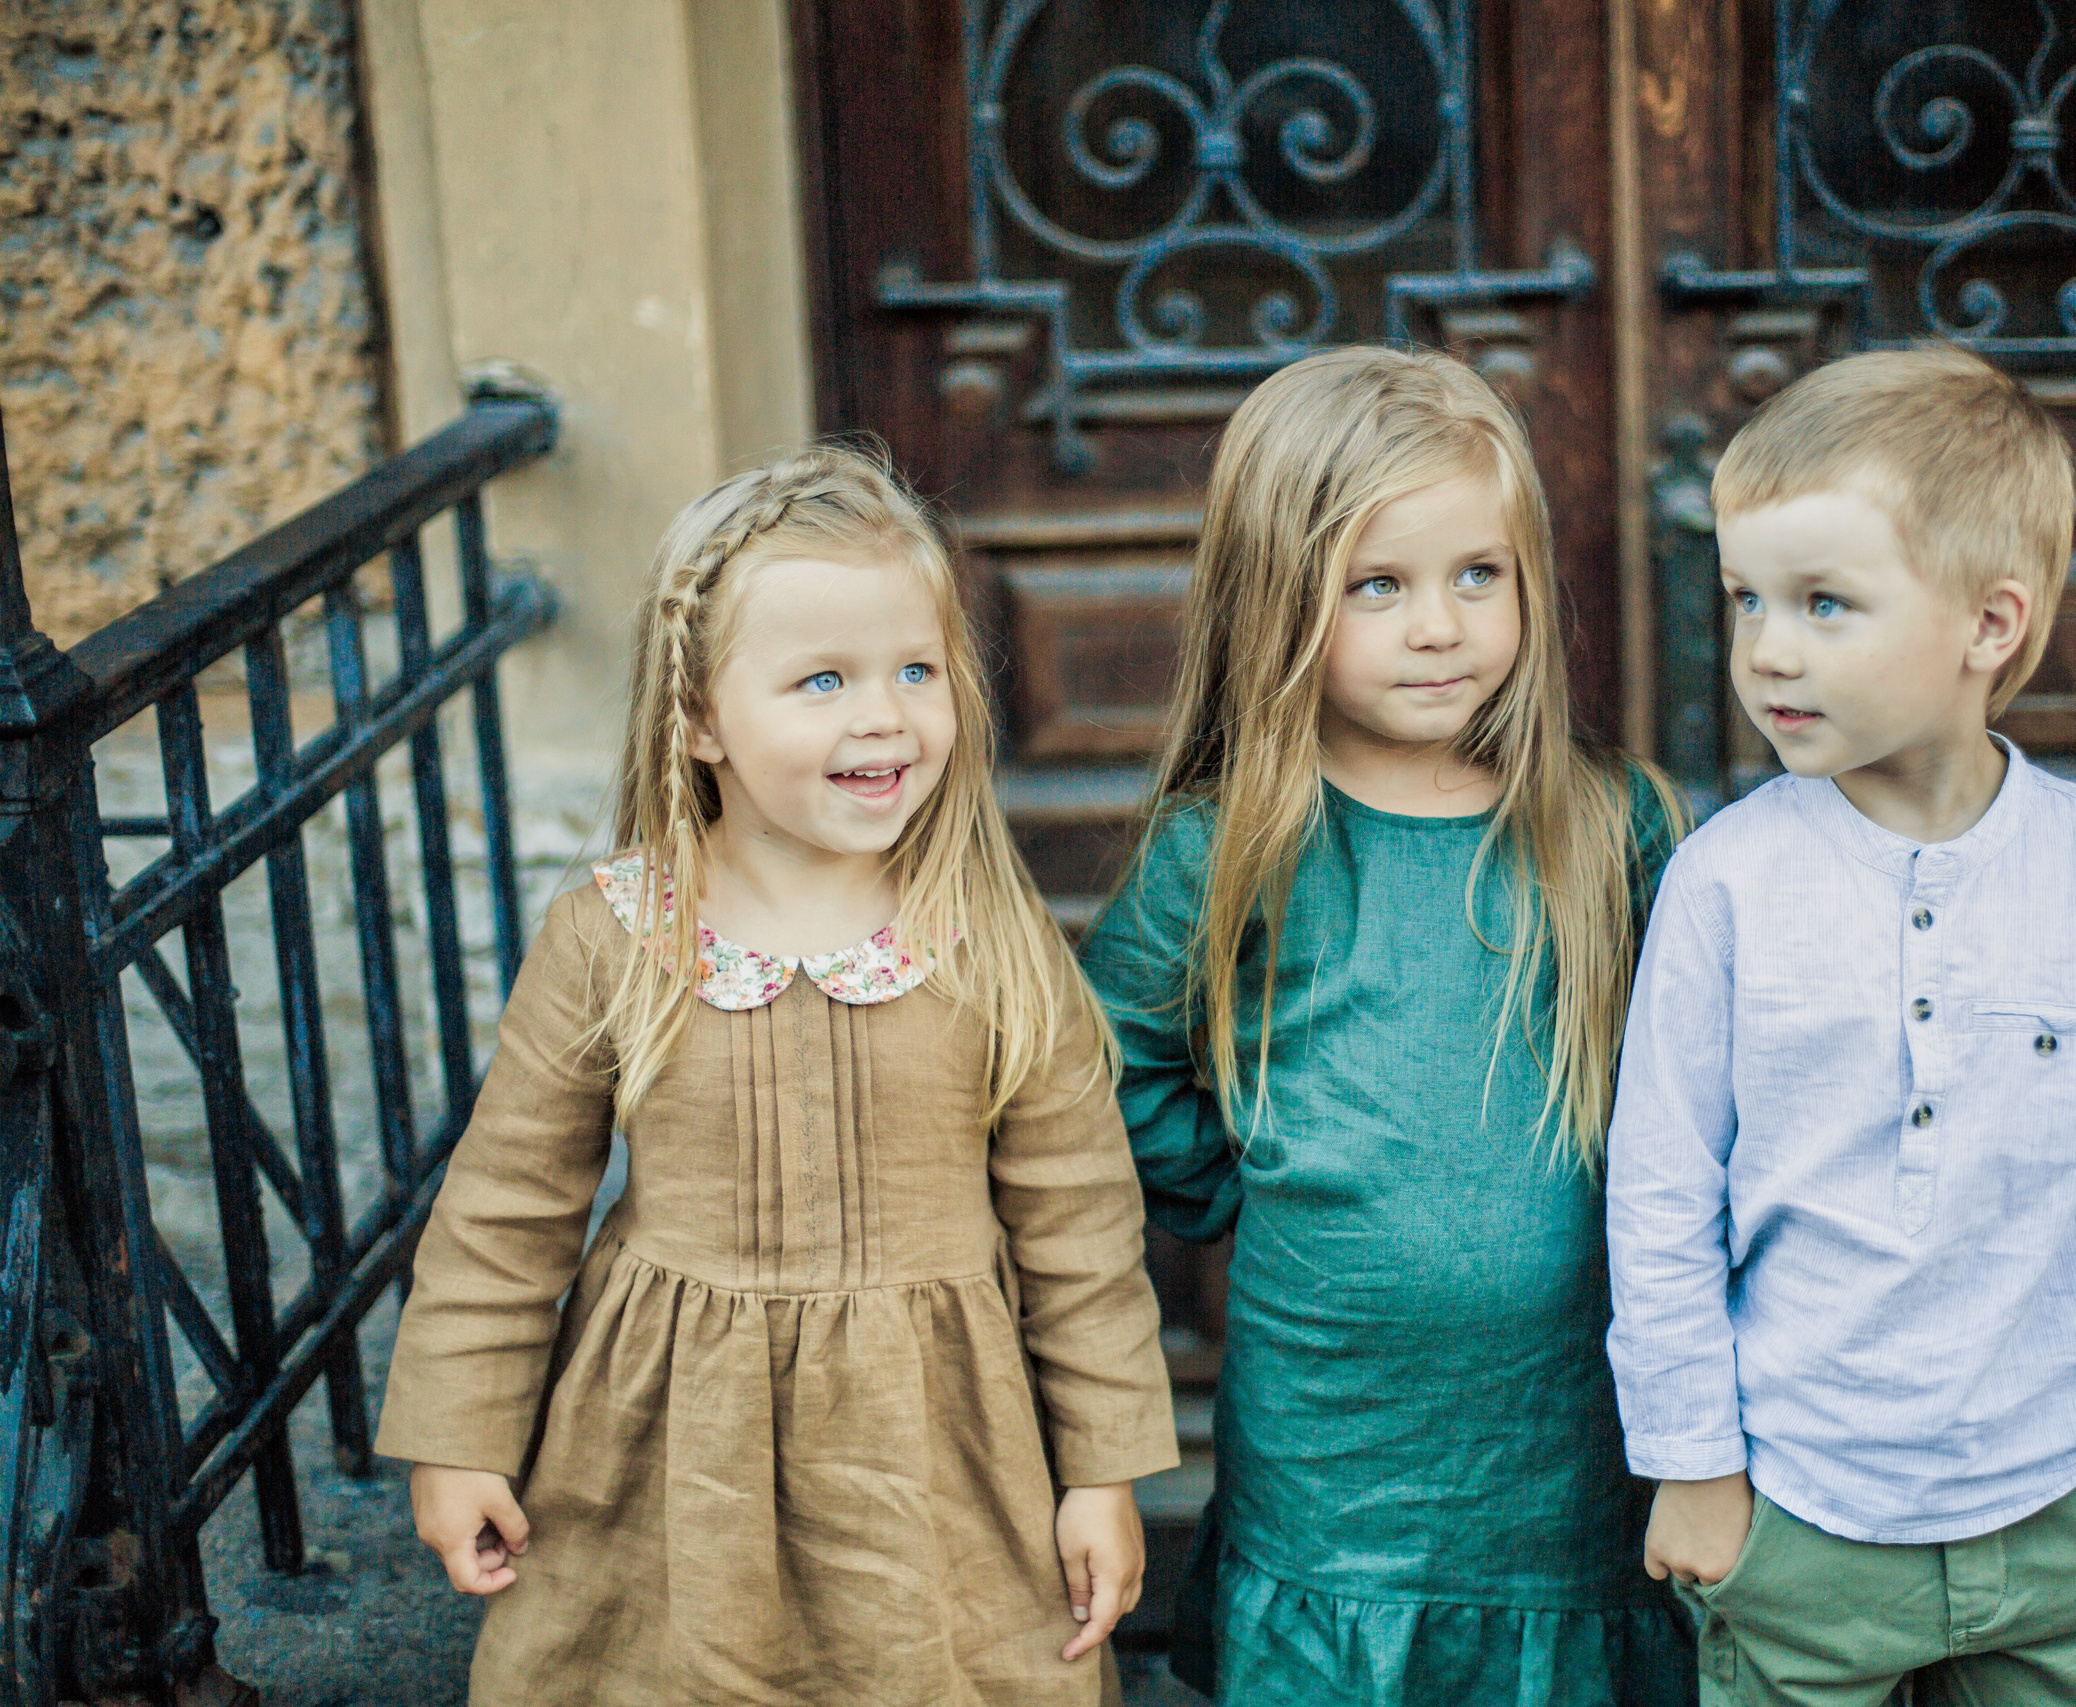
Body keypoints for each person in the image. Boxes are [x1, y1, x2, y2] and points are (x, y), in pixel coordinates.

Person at [375, 443, 1180, 1705]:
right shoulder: (614, 935)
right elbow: (507, 1213)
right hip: (666, 1466)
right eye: (822, 679)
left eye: (916, 670)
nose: (883, 714)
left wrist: (1102, 1474)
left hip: (940, 1475)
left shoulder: (990, 939)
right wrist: (458, 1440)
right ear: (697, 720)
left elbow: (1080, 1228)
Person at [1605, 346, 2076, 1707]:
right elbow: (1659, 1194)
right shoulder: (1724, 881)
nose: (1768, 646)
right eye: (1749, 598)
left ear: (1988, 623)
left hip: (2069, 1497)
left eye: (1826, 601)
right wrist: (1694, 1463)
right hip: (1804, 1516)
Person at [1079, 345, 1696, 1707]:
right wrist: (1243, 1174)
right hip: (1338, 1455)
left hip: (1566, 1451)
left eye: (1480, 575)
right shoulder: (1231, 845)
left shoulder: (1616, 826)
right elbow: (1104, 1053)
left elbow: (1708, 1096)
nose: (1440, 625)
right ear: (1277, 599)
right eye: (1380, 585)